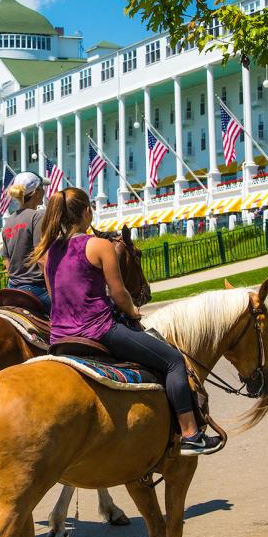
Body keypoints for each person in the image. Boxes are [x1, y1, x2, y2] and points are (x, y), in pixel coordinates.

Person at [30, 187, 220, 455]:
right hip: (98, 332)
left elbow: (56, 296)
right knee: (174, 361)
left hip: (60, 338)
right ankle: (190, 434)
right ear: (87, 212)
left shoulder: (47, 255)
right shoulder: (99, 245)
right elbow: (119, 294)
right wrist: (132, 311)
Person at [0, 171, 50, 314]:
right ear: (37, 191)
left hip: (12, 289)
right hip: (35, 288)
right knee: (72, 315)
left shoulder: (8, 222)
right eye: (43, 188)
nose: (45, 191)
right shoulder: (37, 216)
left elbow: (7, 262)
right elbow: (41, 259)